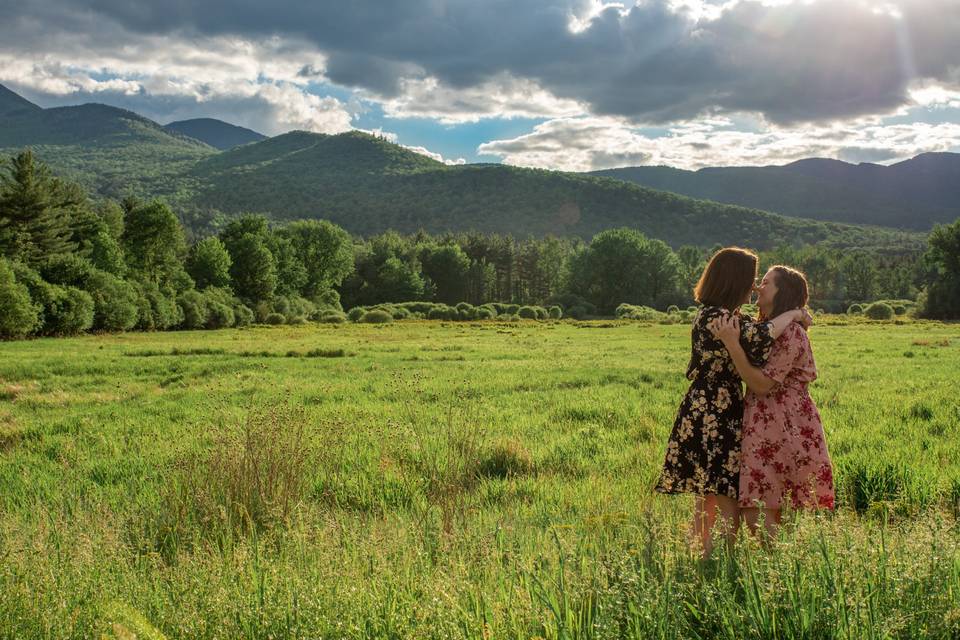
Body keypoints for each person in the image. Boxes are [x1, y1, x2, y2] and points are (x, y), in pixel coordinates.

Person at [655, 248, 810, 557]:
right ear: (734, 281)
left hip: (720, 404)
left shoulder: (728, 316)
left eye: (760, 281)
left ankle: (709, 556)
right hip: (713, 407)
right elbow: (762, 334)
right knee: (719, 485)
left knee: (719, 485)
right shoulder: (716, 316)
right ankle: (711, 557)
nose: (754, 287)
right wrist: (794, 313)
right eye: (752, 279)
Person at [710, 265, 834, 542]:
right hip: (766, 419)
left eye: (765, 282)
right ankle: (780, 570)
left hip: (783, 421)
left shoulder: (790, 334)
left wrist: (732, 345)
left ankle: (782, 573)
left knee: (761, 506)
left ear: (782, 292)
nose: (757, 287)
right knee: (763, 502)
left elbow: (762, 384)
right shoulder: (770, 329)